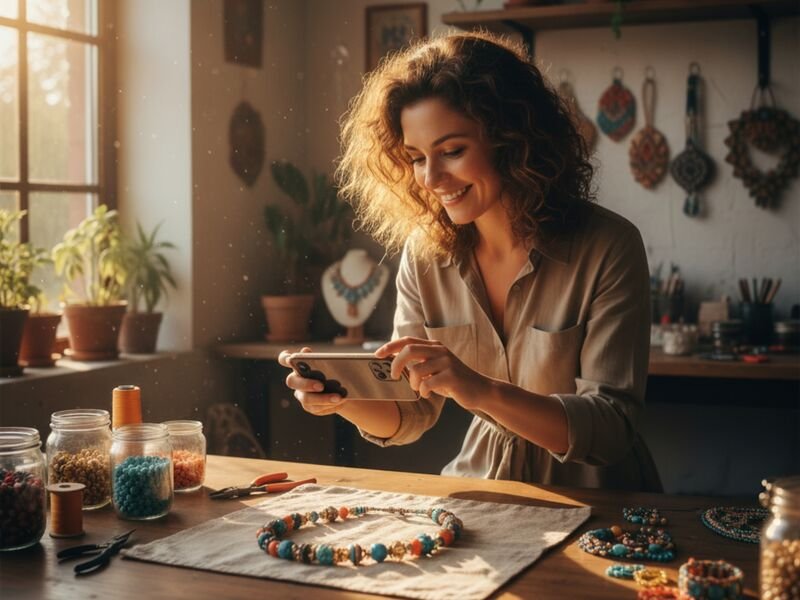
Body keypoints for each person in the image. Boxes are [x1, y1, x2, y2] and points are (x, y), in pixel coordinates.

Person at [278, 31, 662, 492]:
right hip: (486, 489)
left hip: (603, 505)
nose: (432, 178)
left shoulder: (608, 246)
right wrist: (339, 398)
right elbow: (411, 413)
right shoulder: (425, 258)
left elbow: (611, 427)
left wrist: (475, 387)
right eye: (416, 157)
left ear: (513, 139)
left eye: (452, 151)